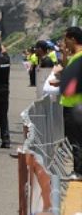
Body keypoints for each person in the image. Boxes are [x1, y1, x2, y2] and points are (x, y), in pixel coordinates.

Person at [58, 26, 82, 179]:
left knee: (76, 139)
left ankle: (79, 171)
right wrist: (64, 54)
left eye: (65, 39)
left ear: (73, 39)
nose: (64, 42)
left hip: (75, 105)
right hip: (72, 104)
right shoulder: (76, 56)